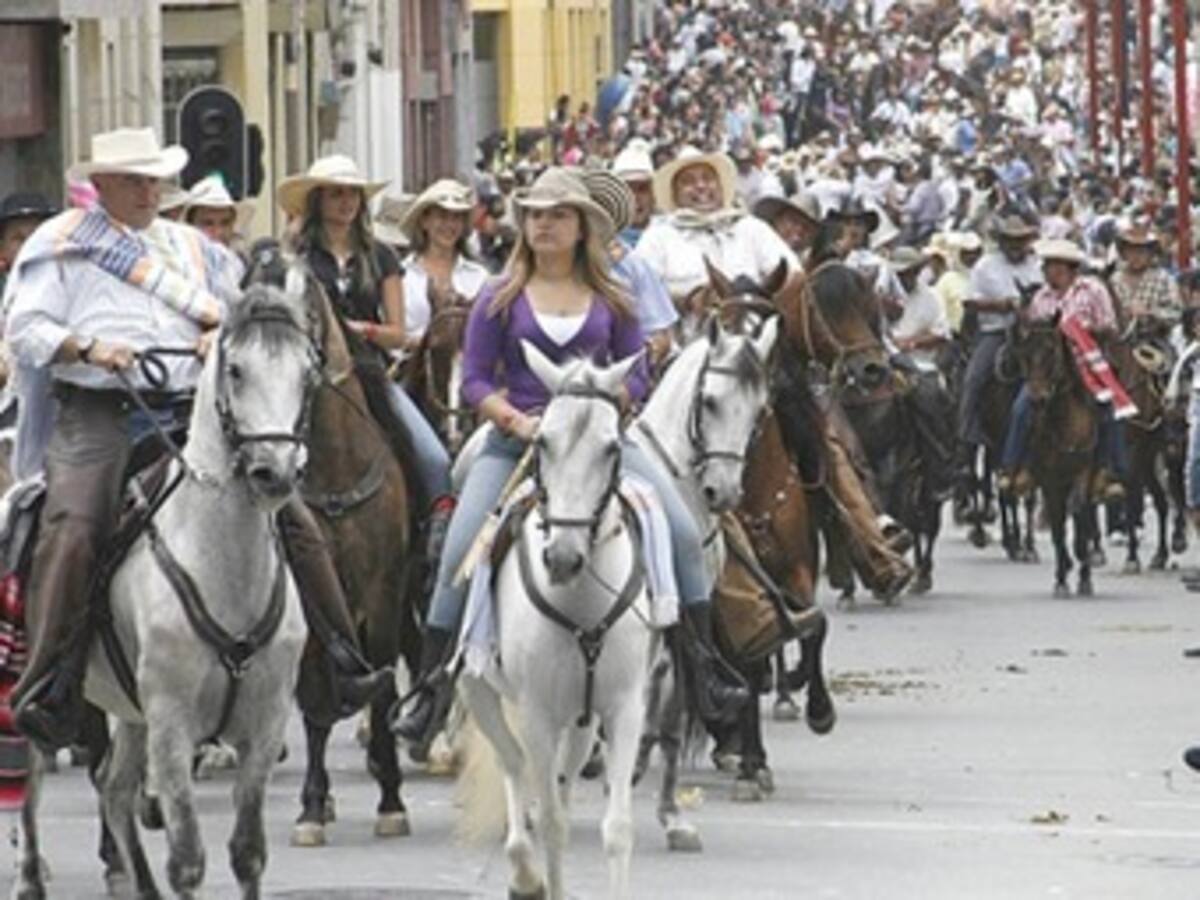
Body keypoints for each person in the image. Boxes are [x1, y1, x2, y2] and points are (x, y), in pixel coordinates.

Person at [4, 128, 390, 751]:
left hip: (192, 409)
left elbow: (244, 319)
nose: (148, 192)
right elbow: (25, 328)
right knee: (74, 525)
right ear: (100, 185)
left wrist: (220, 337)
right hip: (101, 409)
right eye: (134, 181)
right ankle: (50, 682)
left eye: (154, 181)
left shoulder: (195, 250)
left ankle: (339, 662)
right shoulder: (60, 244)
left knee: (292, 515)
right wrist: (87, 347)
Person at [393, 167, 749, 744]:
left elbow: (638, 373)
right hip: (518, 440)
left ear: (583, 226)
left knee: (683, 533)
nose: (544, 225)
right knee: (460, 548)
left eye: (557, 215)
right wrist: (514, 419)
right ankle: (434, 686)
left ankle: (704, 669)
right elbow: (476, 379)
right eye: (535, 214)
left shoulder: (614, 298)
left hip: (601, 442)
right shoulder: (498, 297)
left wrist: (611, 404)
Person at [277, 156, 456, 566]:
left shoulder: (381, 257)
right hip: (309, 376)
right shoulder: (297, 257)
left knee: (434, 458)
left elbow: (398, 333)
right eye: (336, 194)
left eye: (352, 194)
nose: (346, 202)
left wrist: (360, 331)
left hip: (370, 375)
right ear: (318, 201)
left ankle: (430, 542)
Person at [997, 239, 1127, 499]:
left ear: (1069, 268)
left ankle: (1109, 470)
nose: (1048, 271)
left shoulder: (1093, 290)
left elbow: (1111, 328)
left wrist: (1084, 330)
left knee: (1108, 409)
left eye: (1053, 266)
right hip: (1049, 366)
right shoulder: (1041, 297)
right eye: (1046, 266)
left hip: (1088, 362)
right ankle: (1013, 466)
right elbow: (1034, 334)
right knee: (1021, 408)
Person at [634, 146, 798, 302]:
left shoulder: (751, 228)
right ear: (675, 194)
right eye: (688, 181)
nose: (700, 186)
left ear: (721, 186)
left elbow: (794, 275)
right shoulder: (658, 237)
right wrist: (685, 300)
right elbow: (639, 290)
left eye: (708, 178)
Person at [956, 213, 1043, 484]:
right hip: (996, 331)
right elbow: (969, 302)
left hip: (1035, 334)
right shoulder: (985, 266)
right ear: (1002, 241)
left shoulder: (1037, 265)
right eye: (1010, 240)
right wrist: (1003, 305)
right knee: (973, 379)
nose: (1015, 246)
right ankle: (967, 437)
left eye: (1020, 240)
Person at [397, 179, 490, 345]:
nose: (449, 225)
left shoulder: (479, 276)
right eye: (442, 217)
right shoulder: (402, 275)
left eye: (456, 218)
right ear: (425, 222)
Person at [0, 192, 59, 300]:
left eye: (36, 236)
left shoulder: (68, 285)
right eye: (18, 238)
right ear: (3, 248)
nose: (28, 245)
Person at [611, 138, 656, 246]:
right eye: (627, 190)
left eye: (642, 189)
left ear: (653, 196)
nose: (635, 198)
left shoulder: (670, 238)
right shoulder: (600, 243)